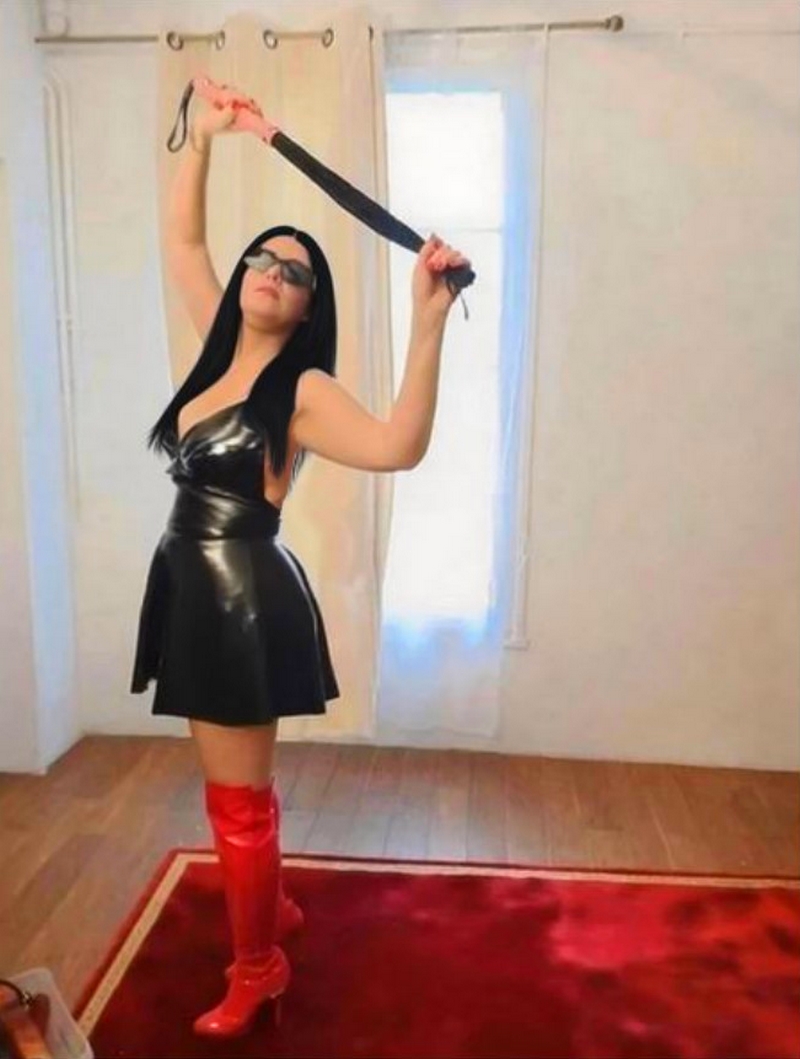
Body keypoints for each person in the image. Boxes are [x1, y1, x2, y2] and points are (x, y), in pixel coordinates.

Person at [129, 86, 470, 1039]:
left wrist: (428, 321)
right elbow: (183, 243)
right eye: (263, 259)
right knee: (236, 793)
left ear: (310, 304)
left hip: (242, 593)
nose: (272, 273)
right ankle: (269, 907)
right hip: (192, 583)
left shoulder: (303, 387)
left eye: (295, 271)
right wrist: (202, 138)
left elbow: (399, 445)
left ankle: (259, 966)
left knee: (236, 801)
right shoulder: (214, 351)